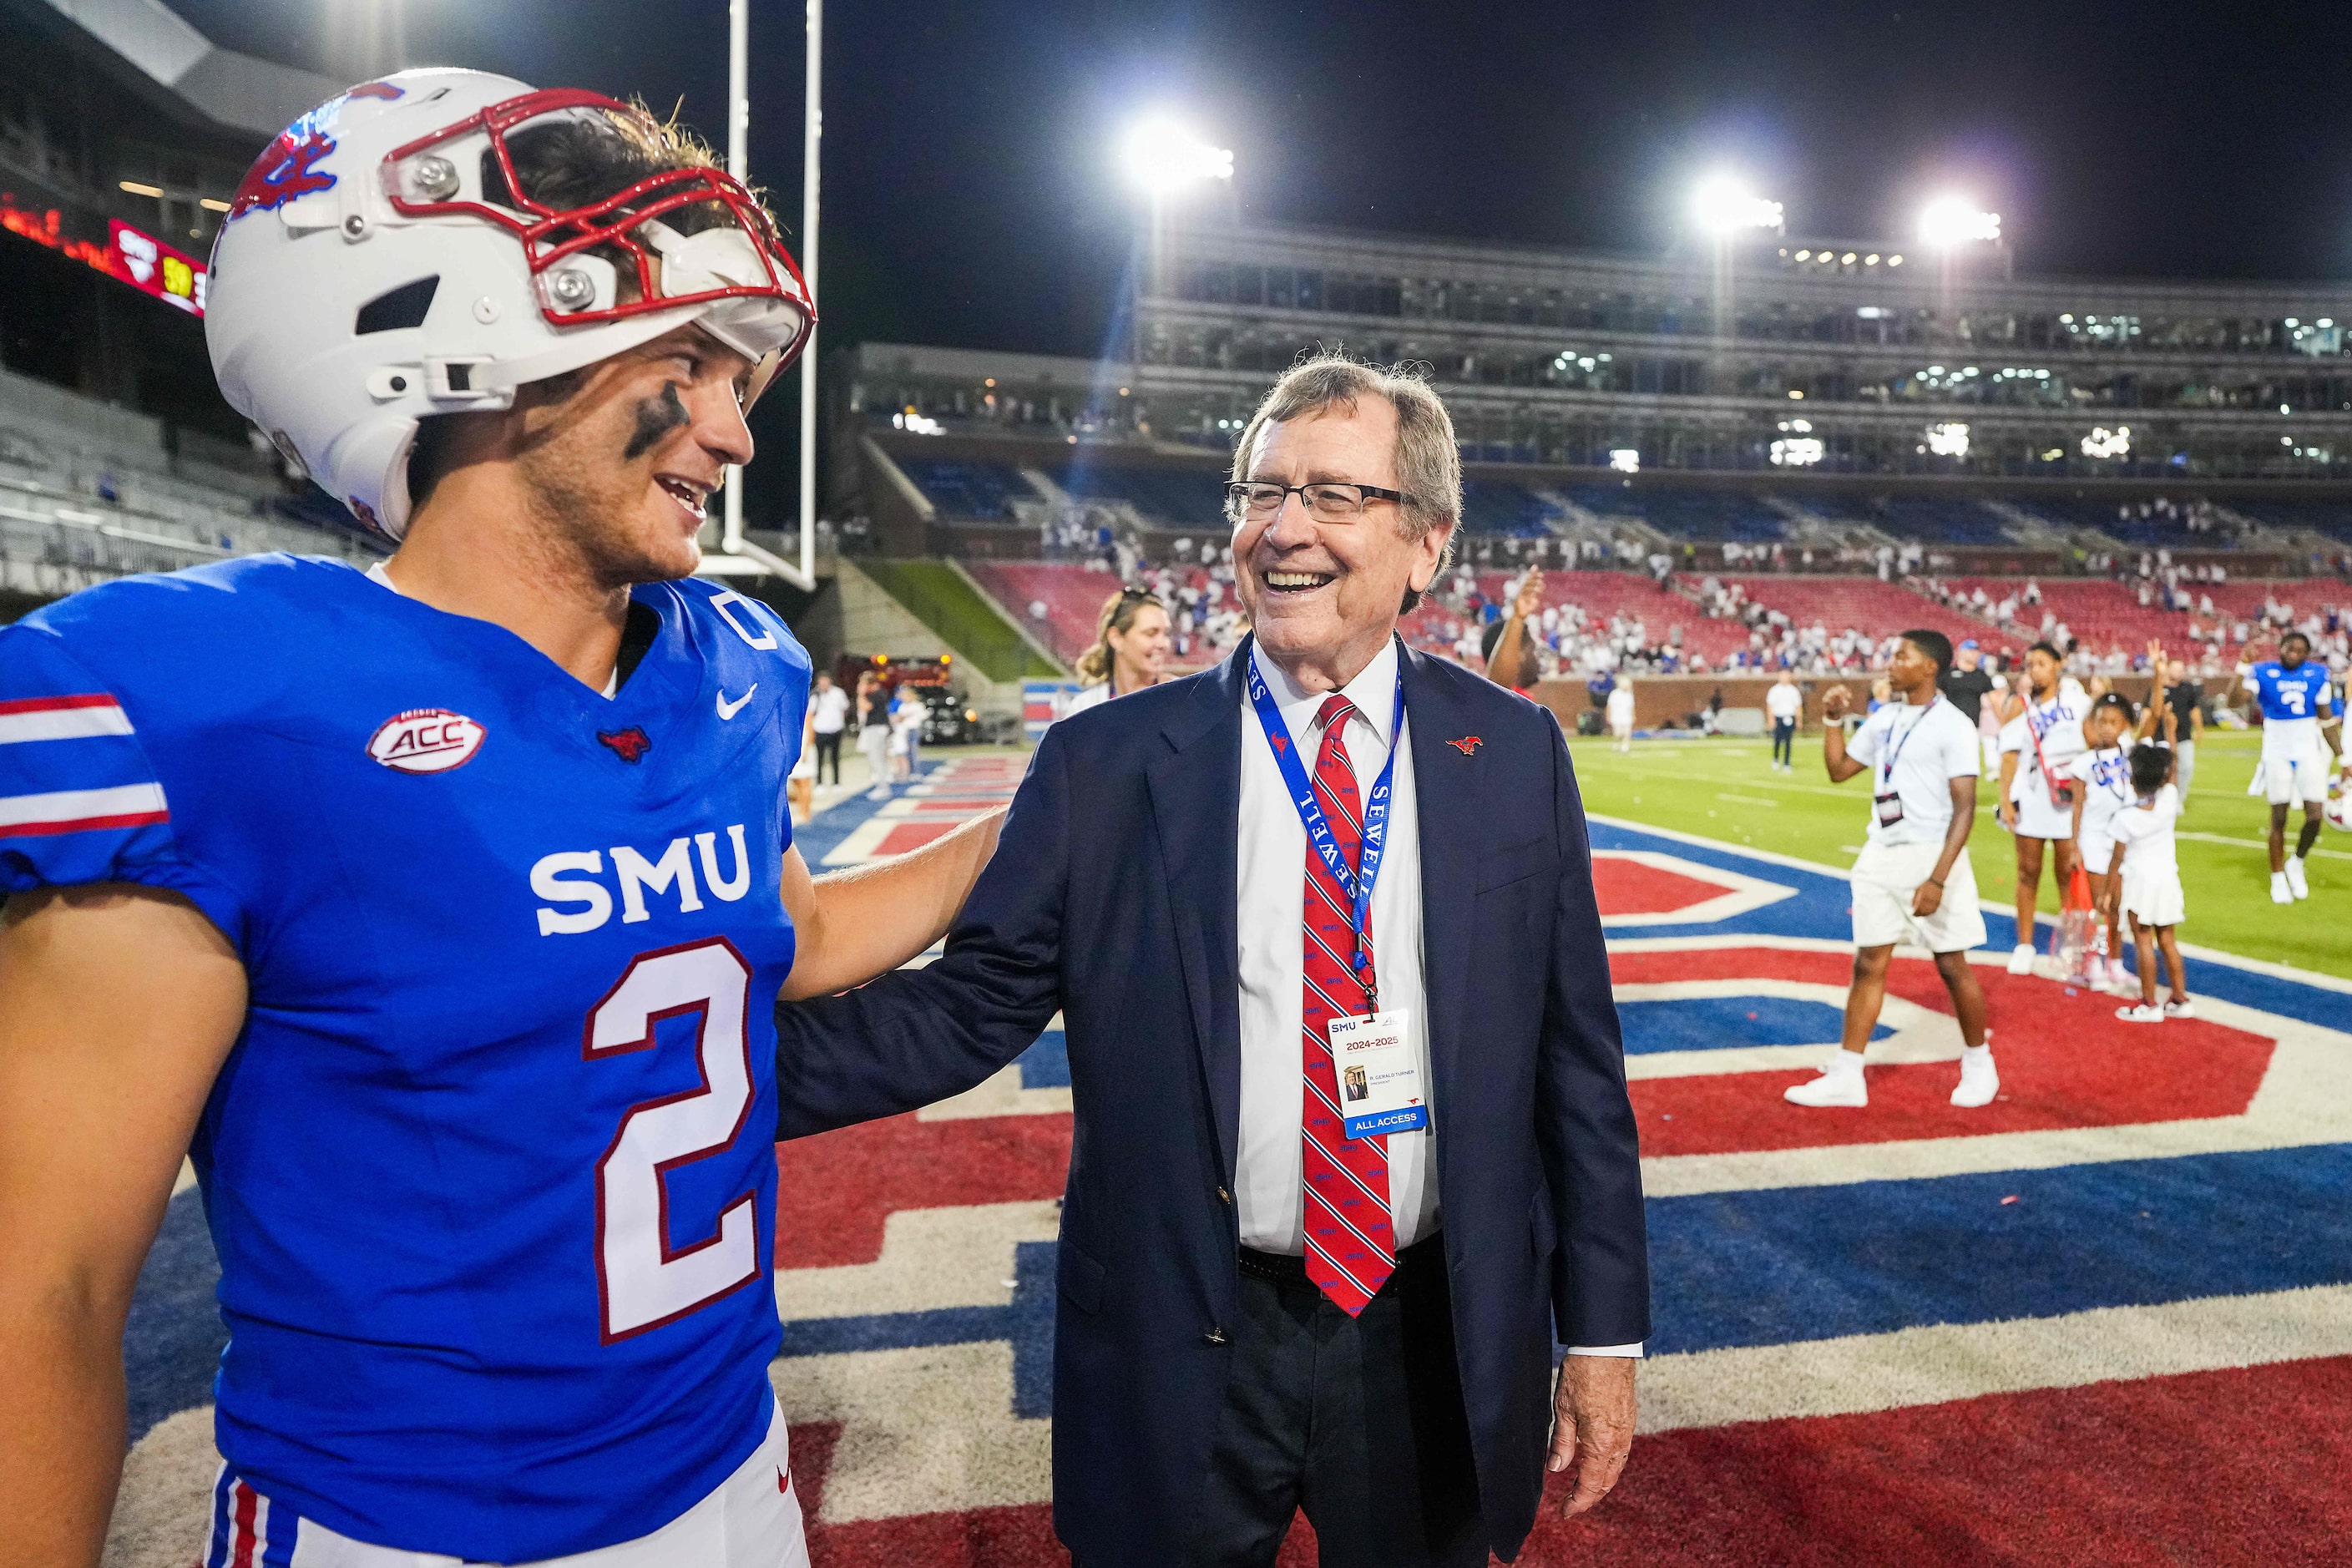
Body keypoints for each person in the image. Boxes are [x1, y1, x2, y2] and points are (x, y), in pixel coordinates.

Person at [0, 73, 1008, 1568]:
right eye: (691, 358)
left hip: (732, 1459)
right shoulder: (219, 704)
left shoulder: (732, 667)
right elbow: (52, 1286)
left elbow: (780, 932)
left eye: (744, 378)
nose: (734, 433)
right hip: (411, 1524)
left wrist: (1039, 815)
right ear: (475, 341)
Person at [772, 355, 1648, 1566]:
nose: (1283, 529)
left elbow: (1575, 1062)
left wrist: (1604, 1335)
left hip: (1426, 1328)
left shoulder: (1510, 749)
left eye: (1335, 496)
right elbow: (967, 1011)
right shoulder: (1110, 760)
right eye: (1260, 492)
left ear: (1427, 544)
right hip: (1182, 1322)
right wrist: (696, 1071)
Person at [1785, 631, 1998, 1110]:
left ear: (1929, 668)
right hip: (1882, 851)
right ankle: (1847, 1074)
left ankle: (1979, 1063)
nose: (1890, 661)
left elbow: (1966, 808)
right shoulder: (1886, 720)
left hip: (1932, 854)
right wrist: (1834, 719)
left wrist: (1939, 877)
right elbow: (1840, 769)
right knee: (1868, 964)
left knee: (1951, 963)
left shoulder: (1953, 724)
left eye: (1902, 655)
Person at [2223, 630, 2342, 903]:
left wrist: (2343, 758)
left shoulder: (2317, 674)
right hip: (2277, 752)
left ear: (2307, 653)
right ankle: (2277, 876)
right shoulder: (2263, 672)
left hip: (2307, 751)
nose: (2294, 654)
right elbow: (2233, 701)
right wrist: (2241, 667)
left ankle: (2296, 862)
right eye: (2290, 648)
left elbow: (2326, 720)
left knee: (2315, 815)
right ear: (2281, 648)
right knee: (2279, 817)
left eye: (2300, 650)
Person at [1995, 641, 2086, 974]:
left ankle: (2071, 942)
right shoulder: (2018, 706)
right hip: (2031, 798)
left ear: (2058, 665)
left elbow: (2094, 743)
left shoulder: (2079, 703)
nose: (2034, 670)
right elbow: (2008, 756)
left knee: (2067, 872)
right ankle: (2025, 943)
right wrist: (2006, 800)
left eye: (2042, 663)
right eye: (2029, 664)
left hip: (2066, 802)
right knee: (2027, 872)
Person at [2066, 680, 2162, 994]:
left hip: (2122, 841)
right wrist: (2073, 845)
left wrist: (2158, 677)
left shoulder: (2132, 753)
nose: (2106, 729)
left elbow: (2155, 717)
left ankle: (2116, 963)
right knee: (2098, 906)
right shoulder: (2082, 763)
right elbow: (2077, 806)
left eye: (2113, 722)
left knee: (2119, 905)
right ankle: (2093, 962)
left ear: (2125, 725)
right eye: (2101, 722)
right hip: (2094, 839)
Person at [2102, 744, 2193, 1021]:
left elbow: (2116, 861)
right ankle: (2180, 999)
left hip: (2140, 884)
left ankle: (2149, 1003)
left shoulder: (2125, 818)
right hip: (2168, 880)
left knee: (2143, 941)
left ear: (2133, 778)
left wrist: (2106, 893)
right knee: (2168, 941)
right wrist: (2171, 730)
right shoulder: (2168, 800)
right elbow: (2173, 773)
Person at [1063, 584, 1172, 717]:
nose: (1164, 644)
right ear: (1116, 638)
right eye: (1151, 634)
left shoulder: (1184, 701)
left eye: (1166, 634)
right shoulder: (1084, 708)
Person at [1481, 571, 1545, 693]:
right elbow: (1498, 690)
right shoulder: (1504, 702)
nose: (1537, 658)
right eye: (1532, 650)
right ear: (1518, 654)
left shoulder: (1521, 698)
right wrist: (1517, 618)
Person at [2164, 658, 2203, 806]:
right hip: (2163, 737)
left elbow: (2194, 709)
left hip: (2184, 735)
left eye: (2181, 670)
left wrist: (2199, 728)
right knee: (2166, 769)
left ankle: (2179, 798)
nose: (2179, 673)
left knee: (2186, 767)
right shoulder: (2159, 689)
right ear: (2168, 669)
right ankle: (2166, 797)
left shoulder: (2188, 688)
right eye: (2176, 669)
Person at [856, 669, 893, 799]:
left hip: (876, 729)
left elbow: (864, 707)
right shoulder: (877, 693)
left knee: (876, 758)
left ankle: (883, 787)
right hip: (875, 729)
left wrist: (861, 694)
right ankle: (882, 785)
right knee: (876, 758)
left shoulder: (877, 694)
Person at [809, 670, 849, 785]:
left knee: (835, 758)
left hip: (835, 729)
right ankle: (819, 782)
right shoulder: (815, 695)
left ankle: (836, 782)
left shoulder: (838, 693)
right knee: (819, 759)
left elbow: (845, 708)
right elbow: (810, 713)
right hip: (820, 730)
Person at [1766, 669, 1802, 771]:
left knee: (1788, 741)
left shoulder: (1793, 691)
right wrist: (1771, 719)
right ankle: (1776, 759)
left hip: (1790, 717)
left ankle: (1787, 763)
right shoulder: (1774, 690)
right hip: (1778, 717)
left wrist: (1799, 719)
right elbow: (1770, 705)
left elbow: (1798, 706)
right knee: (1777, 740)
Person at [1608, 677, 1636, 752]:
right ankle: (1615, 744)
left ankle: (1625, 747)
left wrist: (1633, 715)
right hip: (1616, 716)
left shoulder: (1629, 695)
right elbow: (1609, 706)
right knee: (1618, 733)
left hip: (1627, 716)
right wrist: (1609, 716)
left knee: (1627, 733)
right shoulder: (1614, 694)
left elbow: (1632, 706)